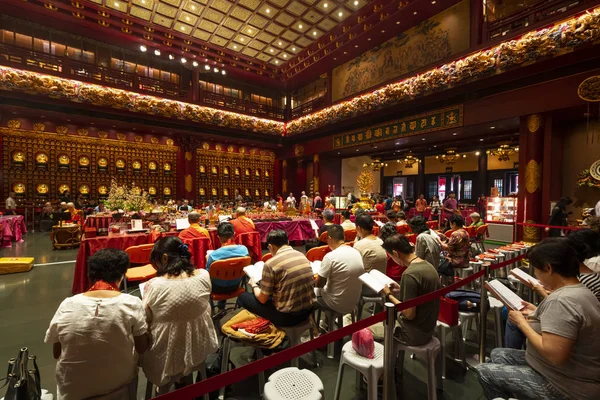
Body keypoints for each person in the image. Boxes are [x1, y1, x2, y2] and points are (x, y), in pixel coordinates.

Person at [475, 239, 600, 400]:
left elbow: (554, 355)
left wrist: (521, 322)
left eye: (536, 269)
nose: (536, 275)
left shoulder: (562, 300)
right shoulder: (580, 291)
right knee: (498, 354)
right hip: (562, 371)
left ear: (548, 268)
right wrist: (535, 312)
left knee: (484, 371)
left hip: (564, 385)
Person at [45, 249, 149, 399]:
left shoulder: (68, 304)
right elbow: (141, 347)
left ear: (91, 274)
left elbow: (57, 353)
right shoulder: (131, 303)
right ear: (122, 275)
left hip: (72, 389)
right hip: (119, 386)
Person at [142, 237, 218, 393]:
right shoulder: (203, 275)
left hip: (164, 356)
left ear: (164, 258)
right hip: (199, 346)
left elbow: (145, 319)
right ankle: (184, 379)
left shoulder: (155, 285)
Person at [237, 229, 314, 326]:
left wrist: (253, 285)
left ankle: (255, 328)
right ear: (288, 242)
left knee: (243, 296)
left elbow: (262, 299)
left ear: (270, 247)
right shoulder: (301, 255)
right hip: (308, 311)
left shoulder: (270, 264)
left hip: (287, 317)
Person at [381, 234, 441, 346]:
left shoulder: (409, 274)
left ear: (395, 254)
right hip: (429, 328)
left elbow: (409, 314)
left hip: (413, 333)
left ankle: (389, 362)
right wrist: (401, 289)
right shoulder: (428, 265)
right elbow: (422, 293)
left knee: (373, 332)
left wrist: (389, 295)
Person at [315, 224, 364, 316]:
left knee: (311, 294)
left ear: (329, 238)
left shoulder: (330, 257)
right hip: (354, 301)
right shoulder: (356, 252)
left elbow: (319, 284)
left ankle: (317, 328)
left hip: (336, 303)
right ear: (344, 238)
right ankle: (327, 322)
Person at [206, 222, 249, 310]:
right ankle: (222, 305)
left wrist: (207, 259)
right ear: (234, 234)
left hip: (216, 289)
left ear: (218, 237)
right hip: (236, 285)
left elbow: (208, 274)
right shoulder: (244, 250)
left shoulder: (213, 255)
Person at [354, 214, 387, 295]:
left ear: (358, 228)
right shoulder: (380, 241)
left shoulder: (359, 245)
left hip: (367, 286)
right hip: (382, 282)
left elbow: (354, 268)